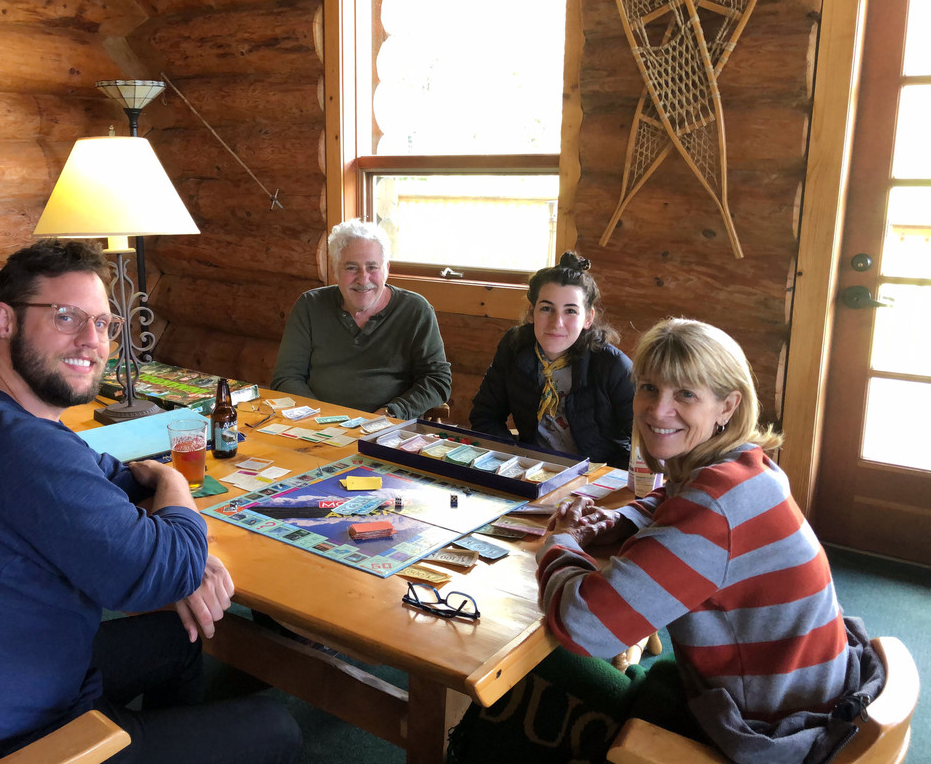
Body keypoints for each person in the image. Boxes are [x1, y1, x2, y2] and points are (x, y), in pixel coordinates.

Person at [0, 240, 302, 764]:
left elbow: (103, 476)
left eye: (104, 323)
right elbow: (163, 570)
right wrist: (176, 490)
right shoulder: (19, 444)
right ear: (4, 320)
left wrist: (171, 533)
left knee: (178, 639)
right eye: (67, 317)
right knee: (277, 727)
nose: (92, 340)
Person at [535, 318, 883, 763]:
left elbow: (586, 627)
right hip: (813, 693)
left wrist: (560, 542)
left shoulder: (714, 509)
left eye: (685, 394)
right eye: (648, 388)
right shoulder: (747, 467)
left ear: (727, 406)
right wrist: (618, 521)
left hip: (765, 733)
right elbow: (673, 498)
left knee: (544, 673)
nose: (658, 410)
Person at [272, 219, 451, 419]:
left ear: (387, 269)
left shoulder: (415, 310)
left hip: (387, 428)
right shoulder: (309, 305)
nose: (363, 278)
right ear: (335, 270)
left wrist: (392, 413)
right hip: (315, 426)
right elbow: (286, 377)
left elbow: (437, 380)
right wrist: (318, 418)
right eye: (351, 268)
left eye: (372, 267)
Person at [469, 251, 633, 468]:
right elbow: (484, 415)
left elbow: (642, 438)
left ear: (588, 318)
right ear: (531, 313)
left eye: (571, 311)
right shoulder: (514, 347)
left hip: (595, 482)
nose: (557, 322)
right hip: (532, 472)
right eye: (547, 309)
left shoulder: (612, 365)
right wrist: (515, 459)